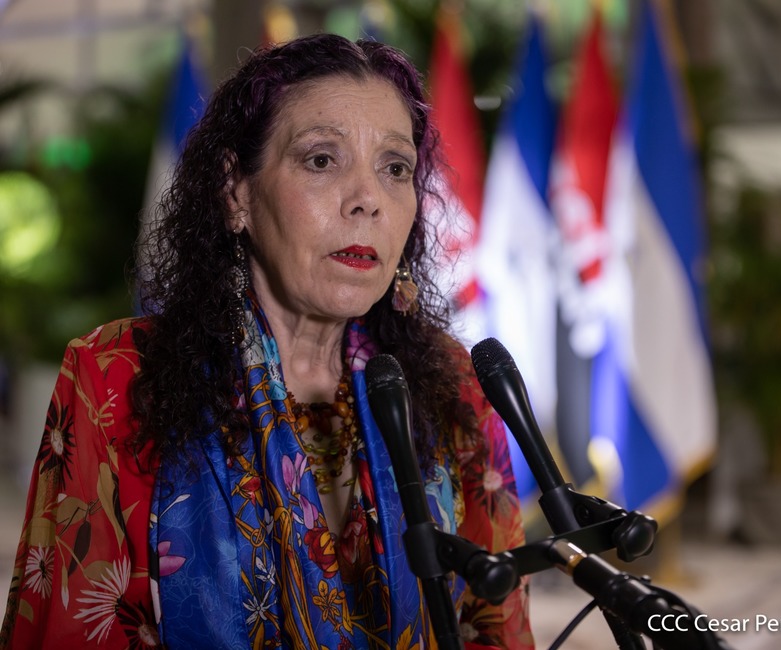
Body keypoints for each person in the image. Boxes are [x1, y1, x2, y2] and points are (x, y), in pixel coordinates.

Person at [0, 33, 534, 649]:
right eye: (322, 160)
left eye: (395, 168)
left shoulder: (454, 383)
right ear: (237, 193)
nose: (368, 201)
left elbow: (496, 629)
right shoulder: (115, 379)